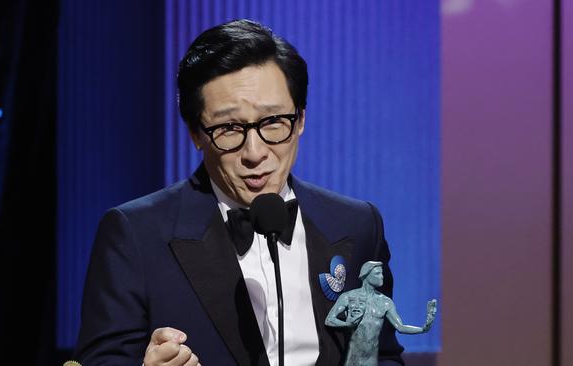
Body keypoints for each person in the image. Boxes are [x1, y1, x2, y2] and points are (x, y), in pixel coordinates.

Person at [73, 19, 405, 366]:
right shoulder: (135, 235)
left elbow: (382, 355)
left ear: (301, 119)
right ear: (196, 133)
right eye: (229, 128)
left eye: (273, 122)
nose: (254, 152)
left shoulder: (357, 224)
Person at [325, 262, 437, 366]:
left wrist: (423, 329)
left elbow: (401, 327)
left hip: (371, 360)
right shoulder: (348, 297)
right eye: (378, 274)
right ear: (366, 275)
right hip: (353, 359)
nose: (382, 276)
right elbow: (329, 320)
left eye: (382, 273)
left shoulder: (385, 302)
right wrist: (347, 325)